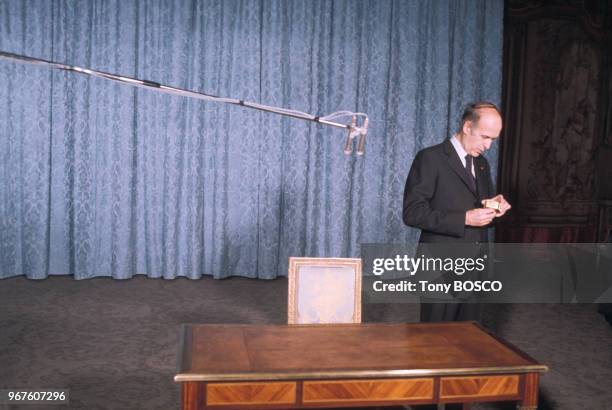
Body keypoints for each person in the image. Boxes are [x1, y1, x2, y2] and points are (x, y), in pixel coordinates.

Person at [403, 102, 511, 323]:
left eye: (493, 139)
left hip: (475, 269)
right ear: (467, 126)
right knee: (434, 343)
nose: (488, 145)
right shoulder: (430, 158)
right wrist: (463, 219)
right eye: (484, 136)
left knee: (468, 340)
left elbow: (480, 206)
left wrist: (495, 207)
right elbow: (412, 212)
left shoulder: (482, 164)